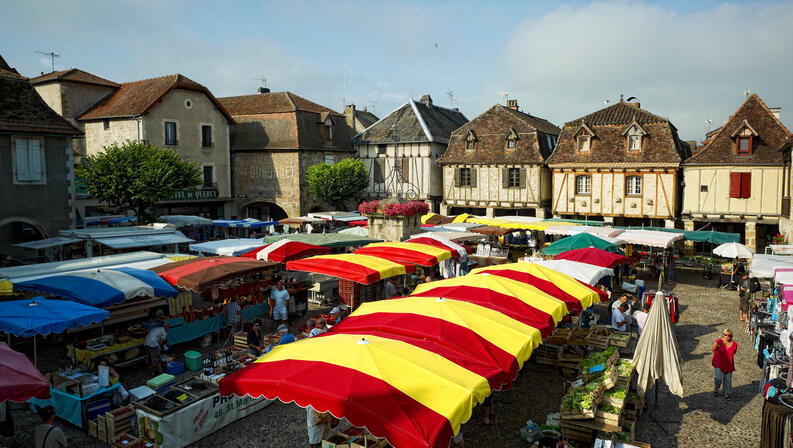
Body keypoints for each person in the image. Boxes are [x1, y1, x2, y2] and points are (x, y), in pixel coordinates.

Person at [712, 328, 738, 401]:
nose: (726, 336)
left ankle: (727, 393)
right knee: (718, 378)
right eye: (725, 335)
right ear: (723, 335)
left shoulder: (734, 344)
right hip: (718, 363)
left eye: (729, 335)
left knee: (728, 380)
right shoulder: (719, 341)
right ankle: (716, 389)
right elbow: (713, 349)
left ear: (731, 336)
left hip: (728, 364)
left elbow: (734, 352)